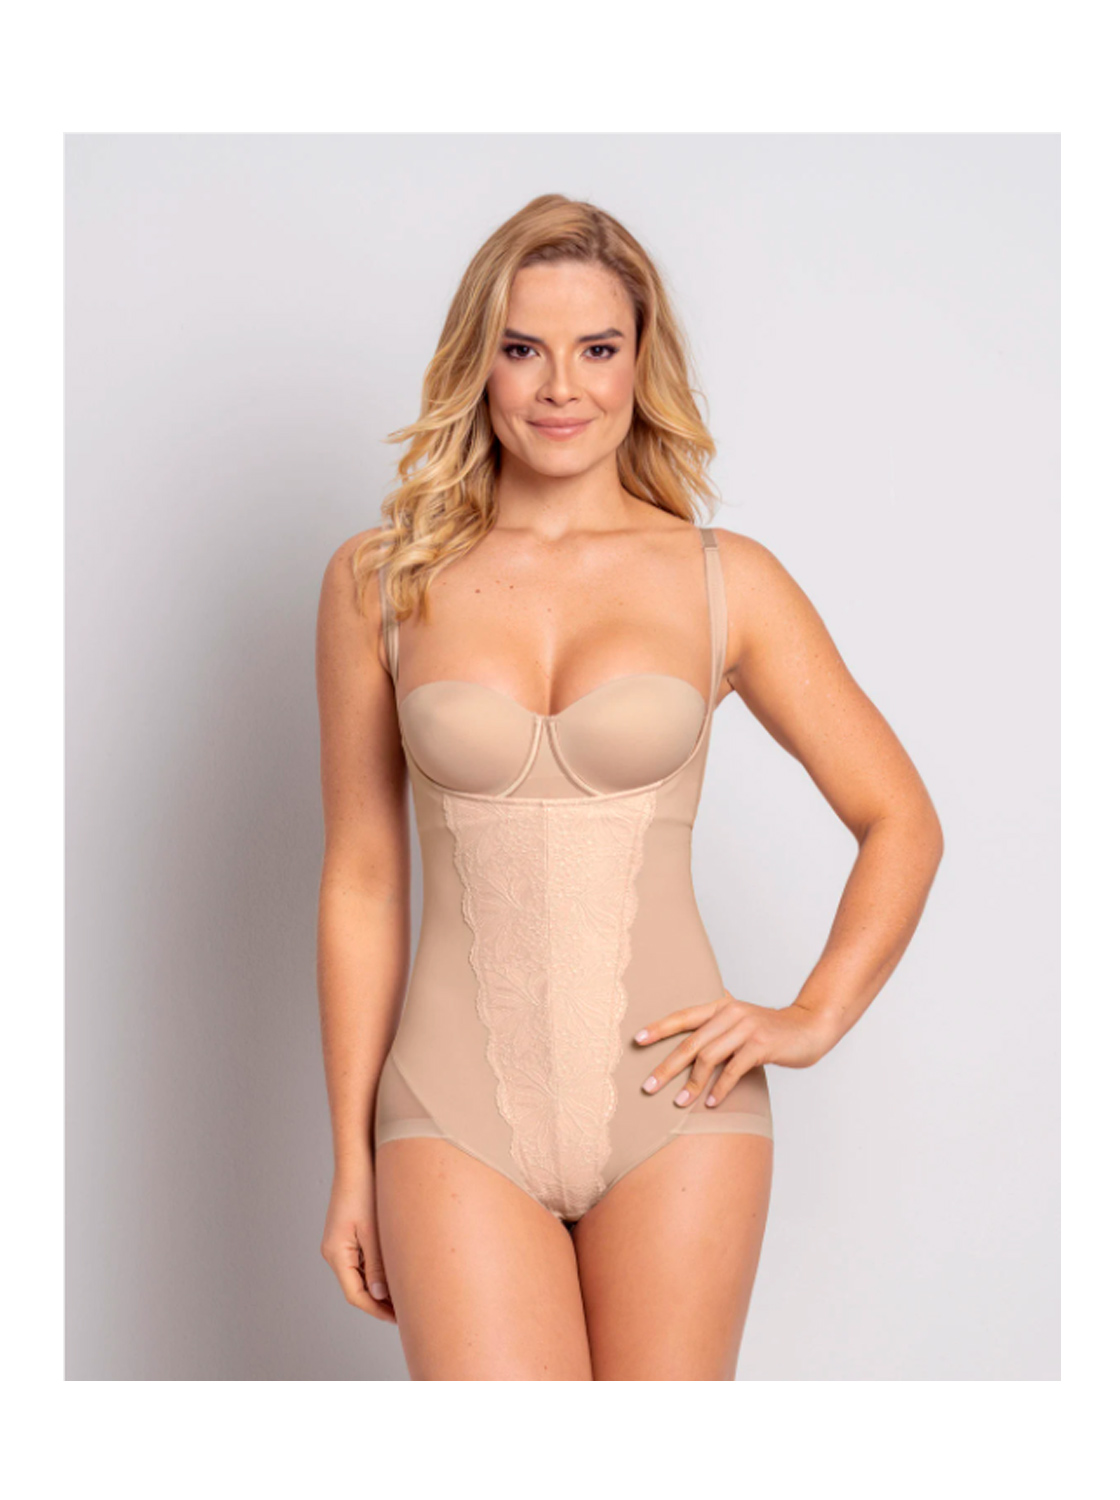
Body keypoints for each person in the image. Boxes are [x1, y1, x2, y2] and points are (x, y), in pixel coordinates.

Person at [314, 194, 944, 1380]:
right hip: (449, 1113)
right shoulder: (380, 581)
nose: (562, 387)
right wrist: (351, 1158)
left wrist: (810, 1018)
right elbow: (361, 878)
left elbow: (898, 819)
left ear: (640, 361)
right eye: (522, 348)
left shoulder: (725, 581)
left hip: (679, 1108)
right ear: (477, 363)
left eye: (597, 348)